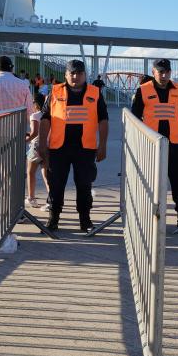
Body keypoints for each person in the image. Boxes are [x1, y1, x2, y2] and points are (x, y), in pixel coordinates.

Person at [39, 59, 108, 232]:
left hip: (85, 148)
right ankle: (53, 219)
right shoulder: (55, 92)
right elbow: (45, 119)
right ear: (66, 75)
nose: (76, 76)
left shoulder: (95, 92)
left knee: (84, 185)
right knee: (56, 184)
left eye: (79, 73)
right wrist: (42, 144)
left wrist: (103, 145)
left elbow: (103, 120)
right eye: (72, 73)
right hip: (58, 148)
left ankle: (85, 221)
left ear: (85, 74)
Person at [132, 59, 178, 232]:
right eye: (160, 71)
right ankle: (146, 218)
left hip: (175, 144)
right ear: (153, 71)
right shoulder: (143, 90)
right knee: (149, 183)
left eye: (167, 71)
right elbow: (135, 117)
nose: (164, 75)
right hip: (152, 145)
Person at [26, 92, 49, 208]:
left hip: (36, 146)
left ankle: (31, 198)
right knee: (46, 173)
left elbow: (34, 133)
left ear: (35, 104)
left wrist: (26, 139)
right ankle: (51, 200)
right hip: (48, 144)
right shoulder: (48, 114)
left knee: (31, 172)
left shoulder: (34, 116)